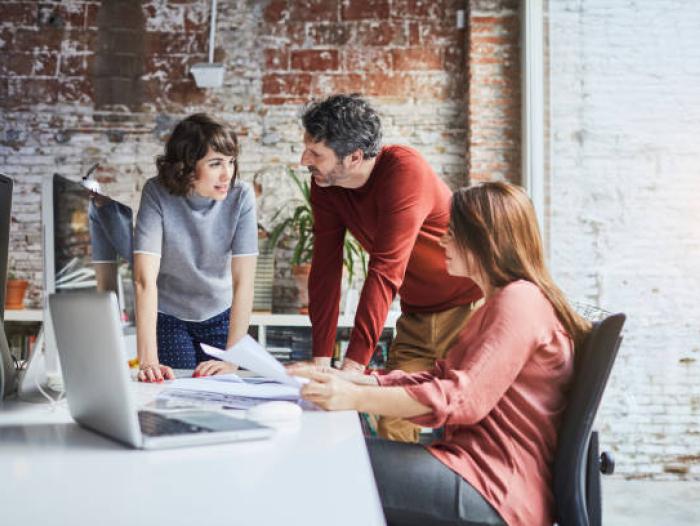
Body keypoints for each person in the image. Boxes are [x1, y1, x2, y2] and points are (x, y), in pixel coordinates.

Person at [289, 182, 590, 526]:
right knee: (333, 460)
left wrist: (353, 397)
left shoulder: (519, 302)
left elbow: (460, 399)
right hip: (474, 471)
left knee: (329, 462)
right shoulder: (502, 301)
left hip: (493, 488)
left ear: (484, 239)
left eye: (452, 232)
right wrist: (357, 378)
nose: (442, 241)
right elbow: (440, 378)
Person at [301, 93, 483, 442]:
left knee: (468, 421)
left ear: (354, 157)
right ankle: (395, 498)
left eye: (316, 153)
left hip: (470, 312)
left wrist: (352, 369)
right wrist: (321, 360)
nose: (304, 160)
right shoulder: (326, 183)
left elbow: (385, 269)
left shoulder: (403, 170)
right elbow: (326, 268)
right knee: (393, 422)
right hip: (417, 319)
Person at [133, 113, 258, 382]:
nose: (227, 174)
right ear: (187, 166)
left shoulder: (242, 196)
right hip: (170, 316)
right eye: (215, 163)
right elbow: (144, 280)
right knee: (173, 390)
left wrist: (234, 358)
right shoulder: (156, 192)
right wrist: (148, 361)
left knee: (222, 390)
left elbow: (244, 281)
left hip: (220, 314)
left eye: (231, 162)